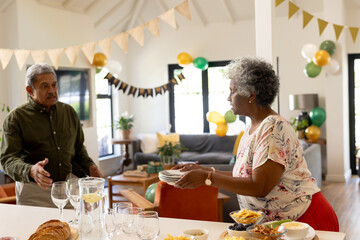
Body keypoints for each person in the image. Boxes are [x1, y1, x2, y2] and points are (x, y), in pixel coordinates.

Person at [173, 56, 339, 231]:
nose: (228, 98)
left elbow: (260, 186)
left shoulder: (273, 127)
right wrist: (204, 171)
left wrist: (207, 178)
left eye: (232, 91)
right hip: (277, 227)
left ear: (251, 94)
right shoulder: (253, 127)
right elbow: (246, 176)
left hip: (303, 222)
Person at [0, 63, 102, 207]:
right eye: (45, 86)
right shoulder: (16, 118)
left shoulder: (69, 112)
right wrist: (30, 170)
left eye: (54, 85)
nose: (52, 90)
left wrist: (89, 165)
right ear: (30, 90)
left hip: (68, 188)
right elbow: (7, 159)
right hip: (34, 191)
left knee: (72, 229)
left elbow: (78, 149)